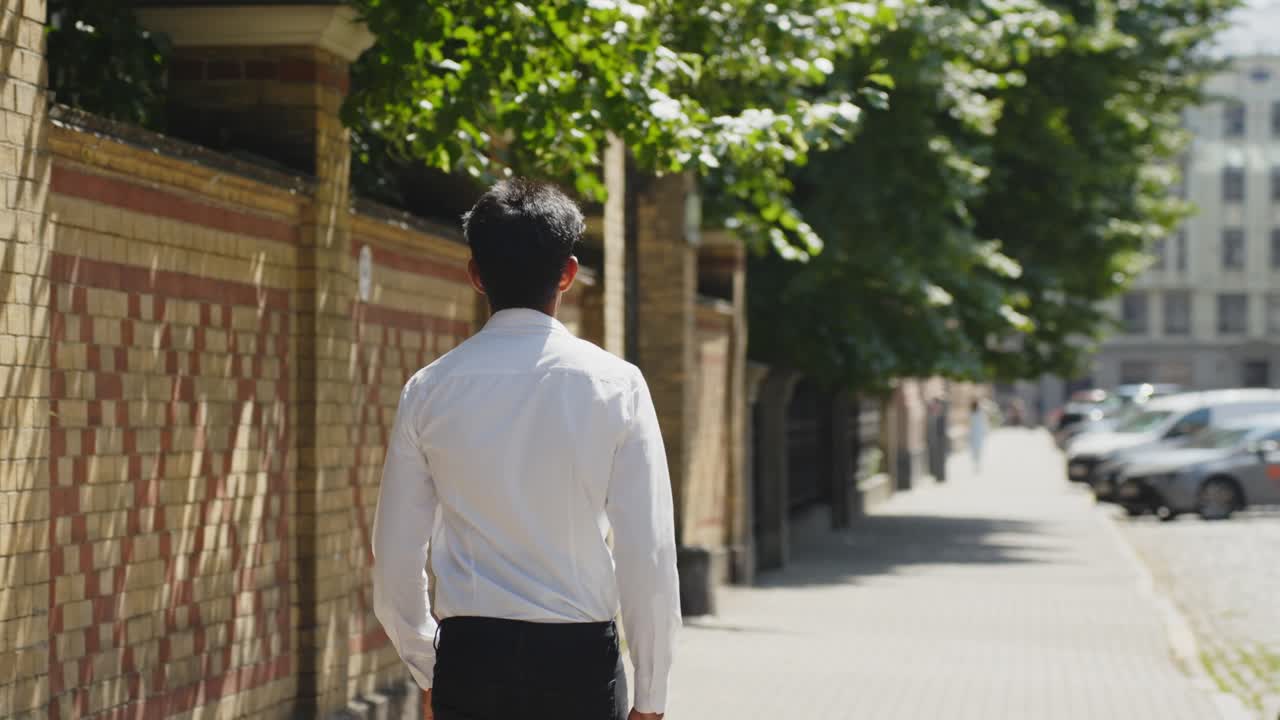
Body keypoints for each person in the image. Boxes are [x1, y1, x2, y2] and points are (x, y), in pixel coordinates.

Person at [371, 179, 680, 720]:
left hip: (471, 661)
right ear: (568, 272)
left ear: (475, 275)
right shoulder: (617, 385)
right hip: (579, 663)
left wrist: (428, 662)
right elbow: (648, 551)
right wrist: (651, 693)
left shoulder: (430, 389)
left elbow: (395, 554)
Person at [969, 398, 988, 473]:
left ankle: (977, 466)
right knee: (975, 451)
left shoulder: (980, 413)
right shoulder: (972, 413)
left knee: (977, 451)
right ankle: (976, 465)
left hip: (978, 434)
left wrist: (984, 432)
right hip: (975, 434)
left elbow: (983, 424)